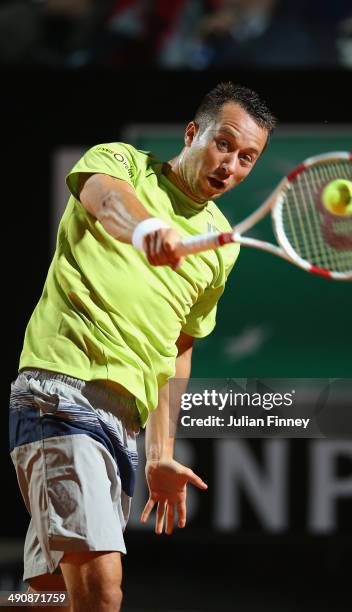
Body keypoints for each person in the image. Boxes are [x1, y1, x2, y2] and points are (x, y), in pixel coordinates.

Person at [9, 81, 276, 611]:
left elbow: (177, 346)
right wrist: (148, 228)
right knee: (103, 596)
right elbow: (107, 198)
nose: (231, 166)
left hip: (120, 426)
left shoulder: (221, 247)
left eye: (247, 158)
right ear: (193, 132)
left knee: (50, 600)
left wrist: (160, 454)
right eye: (224, 144)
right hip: (60, 394)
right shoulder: (123, 162)